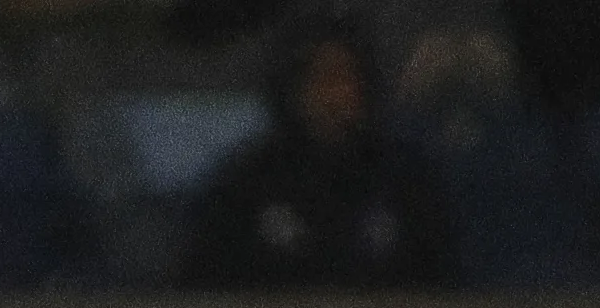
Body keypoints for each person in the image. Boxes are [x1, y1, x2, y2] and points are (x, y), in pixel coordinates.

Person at [177, 10, 455, 291]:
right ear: (290, 89)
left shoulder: (406, 182)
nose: (331, 96)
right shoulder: (245, 184)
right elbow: (198, 291)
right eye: (317, 77)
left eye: (343, 77)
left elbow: (444, 286)